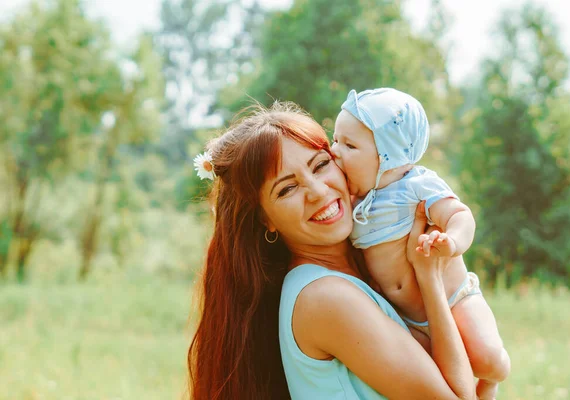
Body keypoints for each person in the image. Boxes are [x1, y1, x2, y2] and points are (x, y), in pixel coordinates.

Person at [188, 101, 476, 399]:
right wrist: (429, 277)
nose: (318, 191)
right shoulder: (325, 297)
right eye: (287, 189)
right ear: (265, 219)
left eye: (321, 165)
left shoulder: (360, 273)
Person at [331, 88, 510, 399]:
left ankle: (490, 386)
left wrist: (451, 241)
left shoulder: (415, 186)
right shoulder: (354, 201)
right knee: (438, 376)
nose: (335, 151)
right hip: (405, 316)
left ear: (389, 156)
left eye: (349, 145)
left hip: (454, 298)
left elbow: (460, 215)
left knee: (489, 360)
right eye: (335, 140)